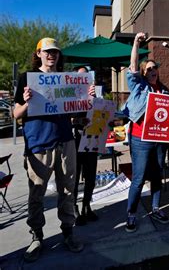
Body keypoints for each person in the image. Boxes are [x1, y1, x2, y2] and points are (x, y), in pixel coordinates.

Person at [13, 38, 91, 262]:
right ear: (38, 53)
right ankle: (36, 236)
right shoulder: (27, 79)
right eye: (47, 52)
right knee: (37, 194)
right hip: (39, 144)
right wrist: (27, 102)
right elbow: (16, 114)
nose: (51, 55)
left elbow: (76, 116)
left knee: (67, 191)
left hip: (65, 141)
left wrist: (87, 102)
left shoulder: (66, 80)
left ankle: (68, 232)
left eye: (55, 52)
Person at [121, 32, 169, 233]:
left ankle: (156, 208)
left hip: (159, 139)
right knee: (139, 178)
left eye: (155, 68)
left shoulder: (164, 91)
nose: (153, 70)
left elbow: (166, 114)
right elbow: (132, 67)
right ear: (143, 73)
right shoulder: (139, 86)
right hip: (140, 138)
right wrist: (136, 42)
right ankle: (132, 213)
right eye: (148, 68)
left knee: (157, 175)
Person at [71, 66, 98, 226]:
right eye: (80, 76)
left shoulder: (93, 93)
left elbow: (101, 113)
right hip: (74, 140)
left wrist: (94, 99)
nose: (83, 79)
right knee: (74, 177)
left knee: (91, 176)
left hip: (91, 139)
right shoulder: (68, 95)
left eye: (86, 76)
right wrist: (76, 121)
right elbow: (63, 117)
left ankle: (86, 205)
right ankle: (73, 207)